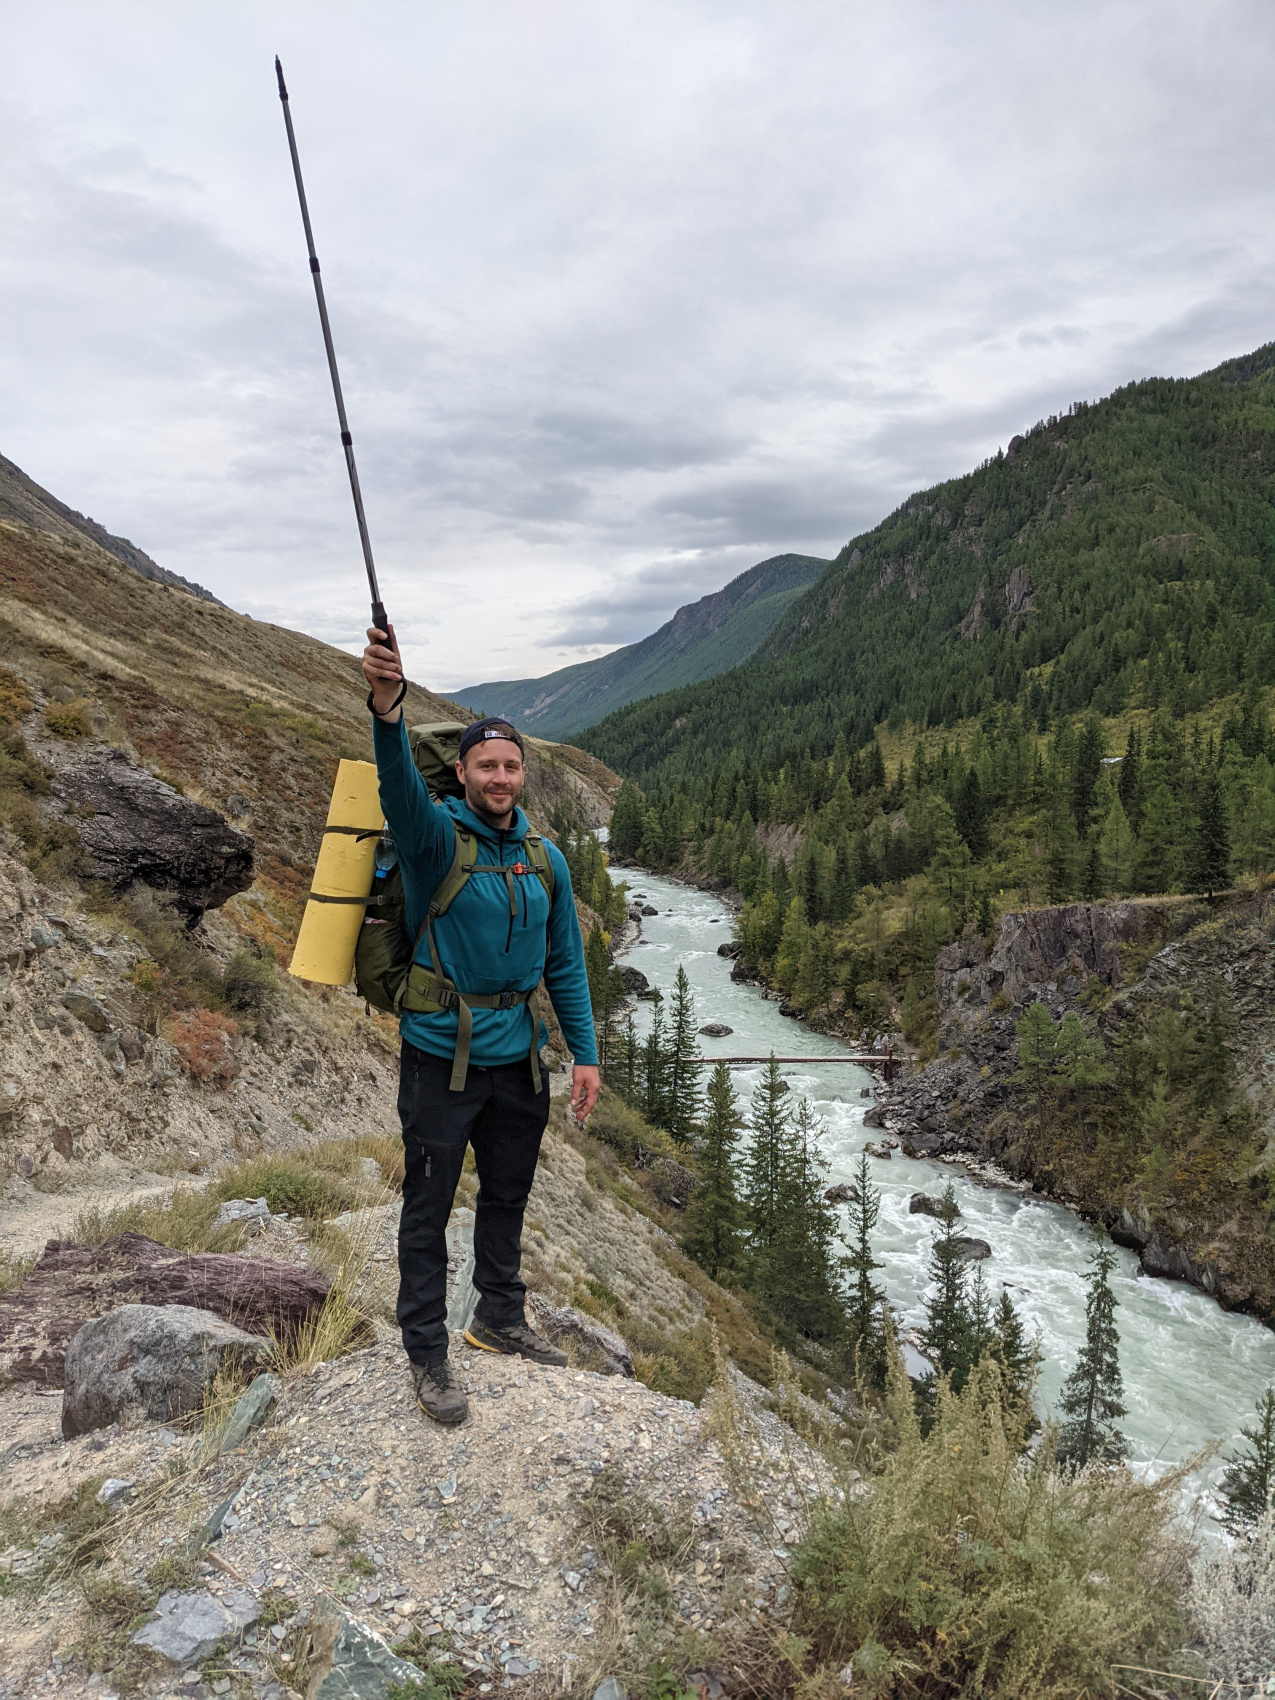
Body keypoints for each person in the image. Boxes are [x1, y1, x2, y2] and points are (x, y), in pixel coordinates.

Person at [362, 622, 600, 1425]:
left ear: (522, 775)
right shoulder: (434, 842)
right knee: (427, 1209)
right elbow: (397, 789)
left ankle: (498, 1317)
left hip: (520, 1060)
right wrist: (386, 708)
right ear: (462, 773)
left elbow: (563, 963)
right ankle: (426, 1353)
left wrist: (585, 1057)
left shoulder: (544, 858)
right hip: (439, 1058)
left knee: (506, 1195)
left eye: (511, 765)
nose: (500, 777)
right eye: (486, 765)